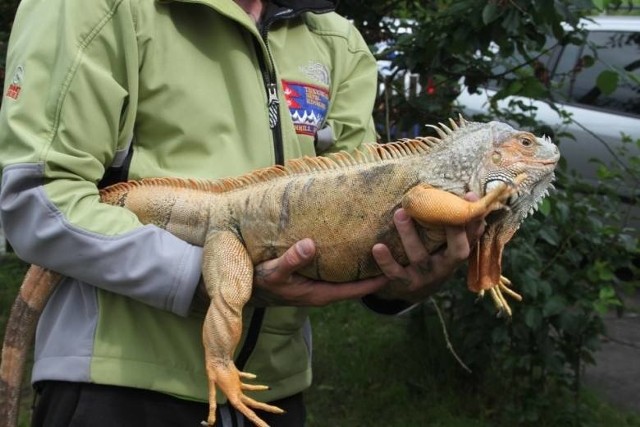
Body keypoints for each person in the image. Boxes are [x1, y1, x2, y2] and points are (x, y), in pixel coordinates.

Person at [0, 0, 483, 425]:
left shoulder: (334, 38)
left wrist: (403, 279)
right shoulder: (93, 6)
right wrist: (209, 278)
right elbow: (40, 201)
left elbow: (369, 211)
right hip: (116, 385)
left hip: (272, 393)